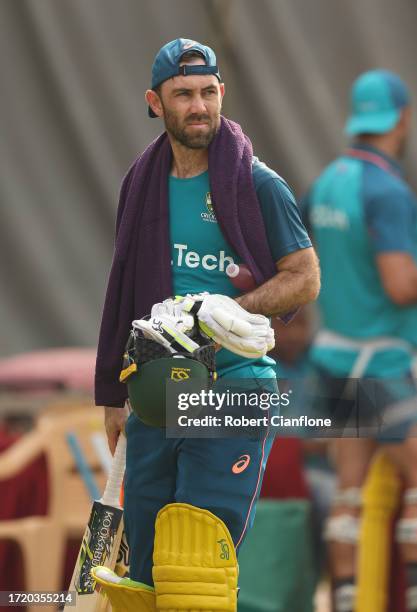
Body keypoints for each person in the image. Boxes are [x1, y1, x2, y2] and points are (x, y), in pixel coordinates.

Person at [94, 38, 320, 612]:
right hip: (156, 395)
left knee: (194, 560)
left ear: (222, 93)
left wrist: (226, 312)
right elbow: (121, 289)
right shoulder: (140, 184)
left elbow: (305, 277)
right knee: (142, 572)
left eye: (208, 92)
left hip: (236, 385)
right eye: (183, 94)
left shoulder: (259, 184)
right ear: (155, 102)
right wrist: (112, 396)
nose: (199, 106)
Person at [302, 69, 417, 612]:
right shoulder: (388, 190)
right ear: (401, 118)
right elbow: (400, 287)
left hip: (334, 359)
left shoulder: (325, 182)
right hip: (381, 365)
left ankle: (346, 603)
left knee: (348, 493)